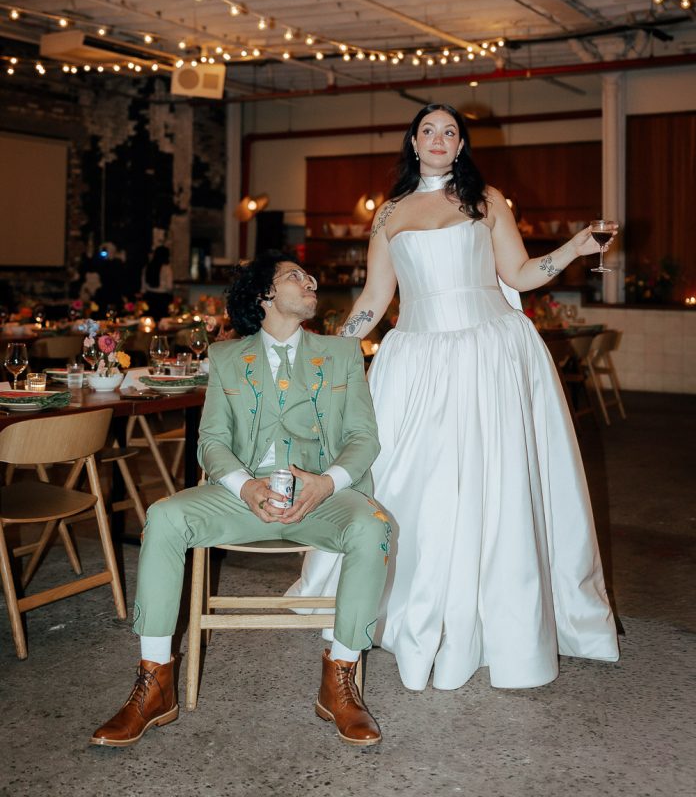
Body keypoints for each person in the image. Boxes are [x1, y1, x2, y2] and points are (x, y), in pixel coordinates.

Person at [290, 103, 619, 693]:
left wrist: (574, 248)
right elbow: (375, 297)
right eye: (428, 130)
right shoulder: (389, 213)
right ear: (414, 143)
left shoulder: (486, 201)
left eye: (450, 131)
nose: (439, 138)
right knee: (409, 476)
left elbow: (519, 275)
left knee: (494, 480)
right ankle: (399, 603)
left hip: (488, 351)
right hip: (416, 357)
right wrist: (333, 348)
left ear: (461, 145)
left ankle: (494, 617)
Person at [91, 251, 390, 748]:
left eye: (309, 274)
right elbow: (211, 440)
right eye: (296, 275)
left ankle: (339, 679)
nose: (311, 281)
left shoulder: (342, 353)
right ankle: (154, 682)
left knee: (373, 526)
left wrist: (326, 483)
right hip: (242, 496)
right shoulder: (228, 357)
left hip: (321, 498)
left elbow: (364, 438)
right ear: (265, 295)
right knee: (164, 517)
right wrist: (245, 487)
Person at [141, 245, 174, 321]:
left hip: (149, 297)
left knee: (150, 320)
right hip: (162, 298)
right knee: (163, 321)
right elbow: (169, 286)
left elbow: (143, 286)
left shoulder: (148, 267)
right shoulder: (167, 268)